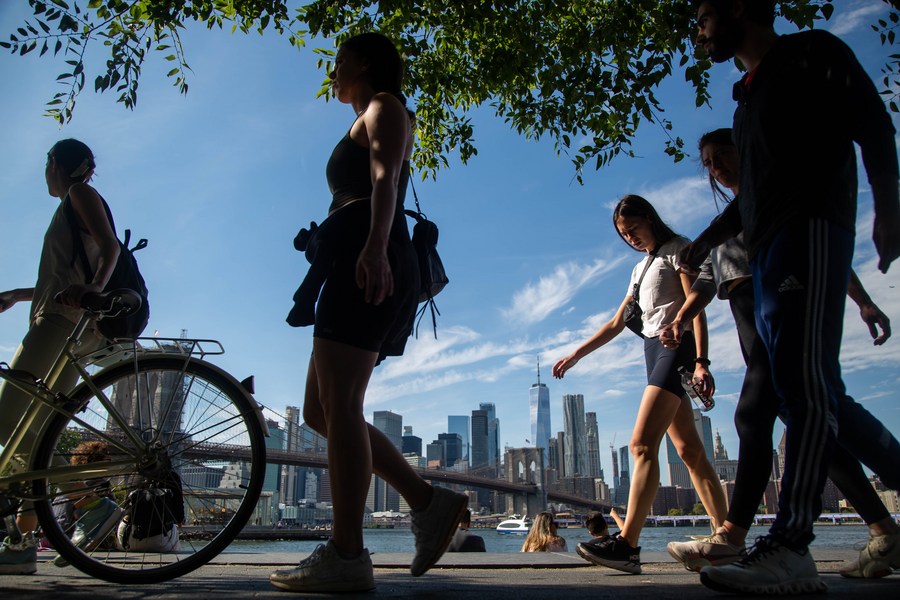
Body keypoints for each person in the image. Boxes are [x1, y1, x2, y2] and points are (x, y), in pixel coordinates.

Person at [681, 1, 900, 594]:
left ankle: (791, 544)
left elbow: (872, 121)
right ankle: (819, 538)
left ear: (738, 6)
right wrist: (704, 241)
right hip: (769, 249)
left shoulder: (811, 53)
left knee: (805, 392)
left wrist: (887, 205)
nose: (698, 31)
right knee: (810, 393)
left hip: (811, 228)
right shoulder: (744, 101)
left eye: (704, 16)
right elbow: (749, 198)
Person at [270, 32, 468, 594]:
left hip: (368, 260)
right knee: (321, 410)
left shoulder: (385, 106)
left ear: (363, 62)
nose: (332, 71)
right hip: (354, 258)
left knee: (341, 404)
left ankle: (347, 553)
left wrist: (376, 247)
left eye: (338, 61)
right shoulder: (369, 114)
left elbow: (385, 178)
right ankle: (428, 502)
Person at [553, 195, 727, 575]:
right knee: (690, 451)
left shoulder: (678, 250)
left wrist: (702, 361)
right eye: (624, 234)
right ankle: (726, 539)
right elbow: (616, 323)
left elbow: (697, 306)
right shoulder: (639, 269)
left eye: (633, 228)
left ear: (650, 218)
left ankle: (627, 545)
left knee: (641, 444)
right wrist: (576, 354)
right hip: (653, 352)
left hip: (677, 349)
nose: (630, 237)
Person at [0, 139, 124, 575]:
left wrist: (93, 290)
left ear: (55, 164)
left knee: (7, 420)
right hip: (72, 324)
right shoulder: (71, 204)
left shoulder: (79, 193)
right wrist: (15, 295)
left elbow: (110, 247)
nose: (44, 172)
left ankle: (91, 505)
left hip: (60, 323)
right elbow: (61, 278)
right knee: (32, 437)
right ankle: (21, 543)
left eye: (46, 163)